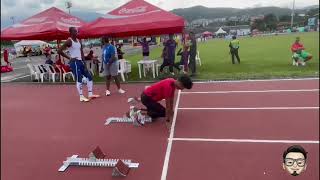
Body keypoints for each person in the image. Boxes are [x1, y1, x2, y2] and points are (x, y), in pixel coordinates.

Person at [127, 75, 193, 126]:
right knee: (163, 113)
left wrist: (171, 110)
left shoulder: (172, 82)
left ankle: (138, 110)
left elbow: (171, 99)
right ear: (179, 82)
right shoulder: (168, 86)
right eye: (183, 87)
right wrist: (167, 120)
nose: (181, 89)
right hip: (146, 98)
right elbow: (167, 105)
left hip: (149, 98)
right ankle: (138, 112)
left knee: (161, 113)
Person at [58, 27, 100, 102]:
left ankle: (90, 94)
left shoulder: (78, 41)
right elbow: (59, 51)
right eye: (75, 31)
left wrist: (85, 63)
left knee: (89, 76)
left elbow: (81, 53)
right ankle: (81, 96)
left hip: (80, 62)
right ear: (71, 32)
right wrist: (69, 58)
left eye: (76, 31)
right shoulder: (69, 41)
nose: (76, 32)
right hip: (74, 62)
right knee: (79, 78)